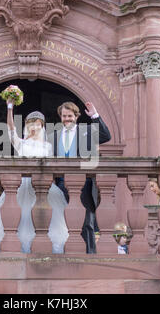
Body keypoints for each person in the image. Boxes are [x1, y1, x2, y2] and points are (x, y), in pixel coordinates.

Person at [0, 96, 69, 254]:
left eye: (38, 124)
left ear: (42, 127)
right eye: (31, 124)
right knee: (21, 218)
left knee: (49, 219)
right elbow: (10, 129)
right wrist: (10, 107)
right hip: (22, 186)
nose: (34, 127)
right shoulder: (20, 143)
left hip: (44, 187)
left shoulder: (49, 146)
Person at [50, 101, 111, 254]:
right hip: (60, 185)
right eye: (64, 116)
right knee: (61, 221)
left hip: (84, 184)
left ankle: (89, 256)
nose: (67, 119)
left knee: (86, 223)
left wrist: (95, 116)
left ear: (76, 116)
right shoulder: (53, 136)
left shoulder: (87, 131)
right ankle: (64, 255)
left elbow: (106, 136)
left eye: (70, 116)